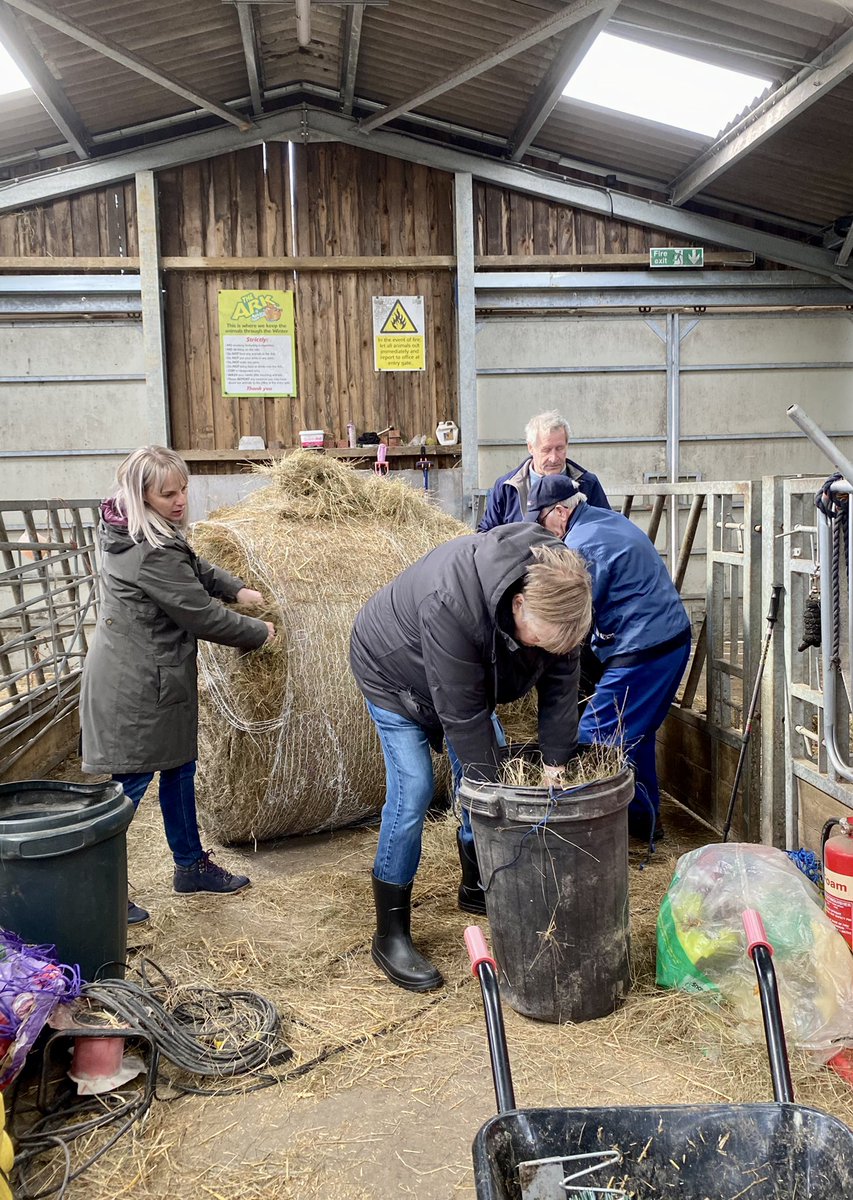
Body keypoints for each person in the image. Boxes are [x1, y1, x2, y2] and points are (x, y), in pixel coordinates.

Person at [349, 522, 592, 993]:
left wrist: (555, 766)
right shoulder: (451, 602)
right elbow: (462, 716)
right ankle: (390, 933)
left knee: (487, 763)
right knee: (416, 786)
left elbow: (562, 689)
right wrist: (496, 801)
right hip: (392, 670)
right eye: (540, 642)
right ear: (518, 605)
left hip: (461, 671)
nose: (546, 650)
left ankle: (477, 882)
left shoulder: (563, 597)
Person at [80, 446, 275, 925]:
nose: (180, 499)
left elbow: (195, 570)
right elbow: (198, 613)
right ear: (140, 495)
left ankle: (190, 867)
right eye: (167, 493)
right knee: (130, 786)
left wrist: (235, 587)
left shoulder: (143, 532)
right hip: (139, 687)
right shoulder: (147, 551)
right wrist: (259, 632)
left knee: (180, 770)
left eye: (183, 488)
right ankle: (101, 890)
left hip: (155, 677)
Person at [524, 475, 691, 844]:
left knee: (595, 736)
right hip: (666, 639)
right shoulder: (603, 518)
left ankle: (587, 838)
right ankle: (642, 824)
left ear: (560, 512)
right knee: (633, 737)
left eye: (541, 521)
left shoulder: (584, 546)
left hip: (644, 648)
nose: (541, 530)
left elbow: (574, 618)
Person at [478, 410, 609, 531]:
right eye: (546, 450)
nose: (553, 458)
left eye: (559, 448)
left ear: (567, 445)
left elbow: (606, 528)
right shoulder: (506, 488)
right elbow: (486, 534)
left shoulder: (588, 484)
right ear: (530, 447)